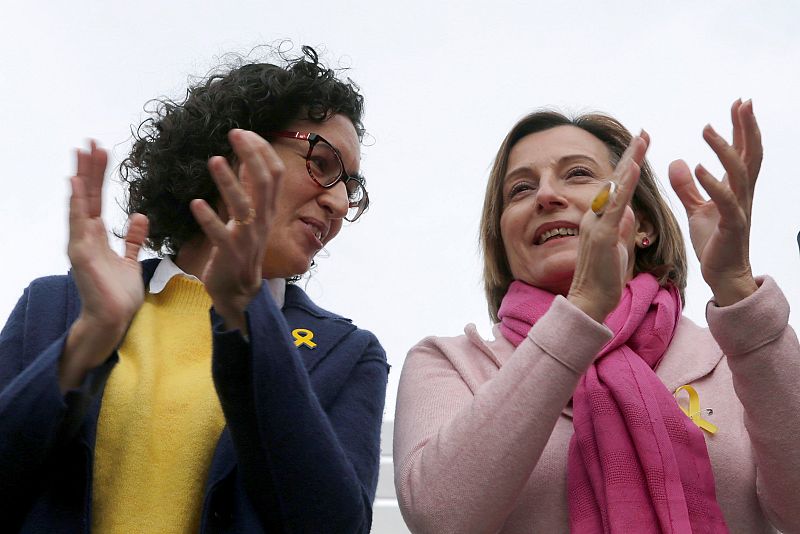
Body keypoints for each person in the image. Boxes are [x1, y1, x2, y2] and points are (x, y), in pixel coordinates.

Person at [0, 46, 388, 533]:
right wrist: (88, 341)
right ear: (239, 146)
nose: (337, 201)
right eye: (323, 164)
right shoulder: (55, 306)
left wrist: (248, 317)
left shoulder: (349, 354)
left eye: (351, 188)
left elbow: (332, 525)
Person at [393, 100, 800, 533]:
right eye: (520, 189)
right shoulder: (449, 363)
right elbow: (440, 517)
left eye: (578, 173)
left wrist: (735, 285)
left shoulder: (732, 358)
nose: (547, 195)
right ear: (503, 243)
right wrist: (583, 309)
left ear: (644, 226)